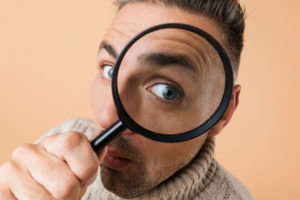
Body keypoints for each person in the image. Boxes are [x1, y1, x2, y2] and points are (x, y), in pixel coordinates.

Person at [0, 0, 255, 199]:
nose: (106, 117)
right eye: (110, 70)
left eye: (166, 91)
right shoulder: (66, 139)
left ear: (223, 113)